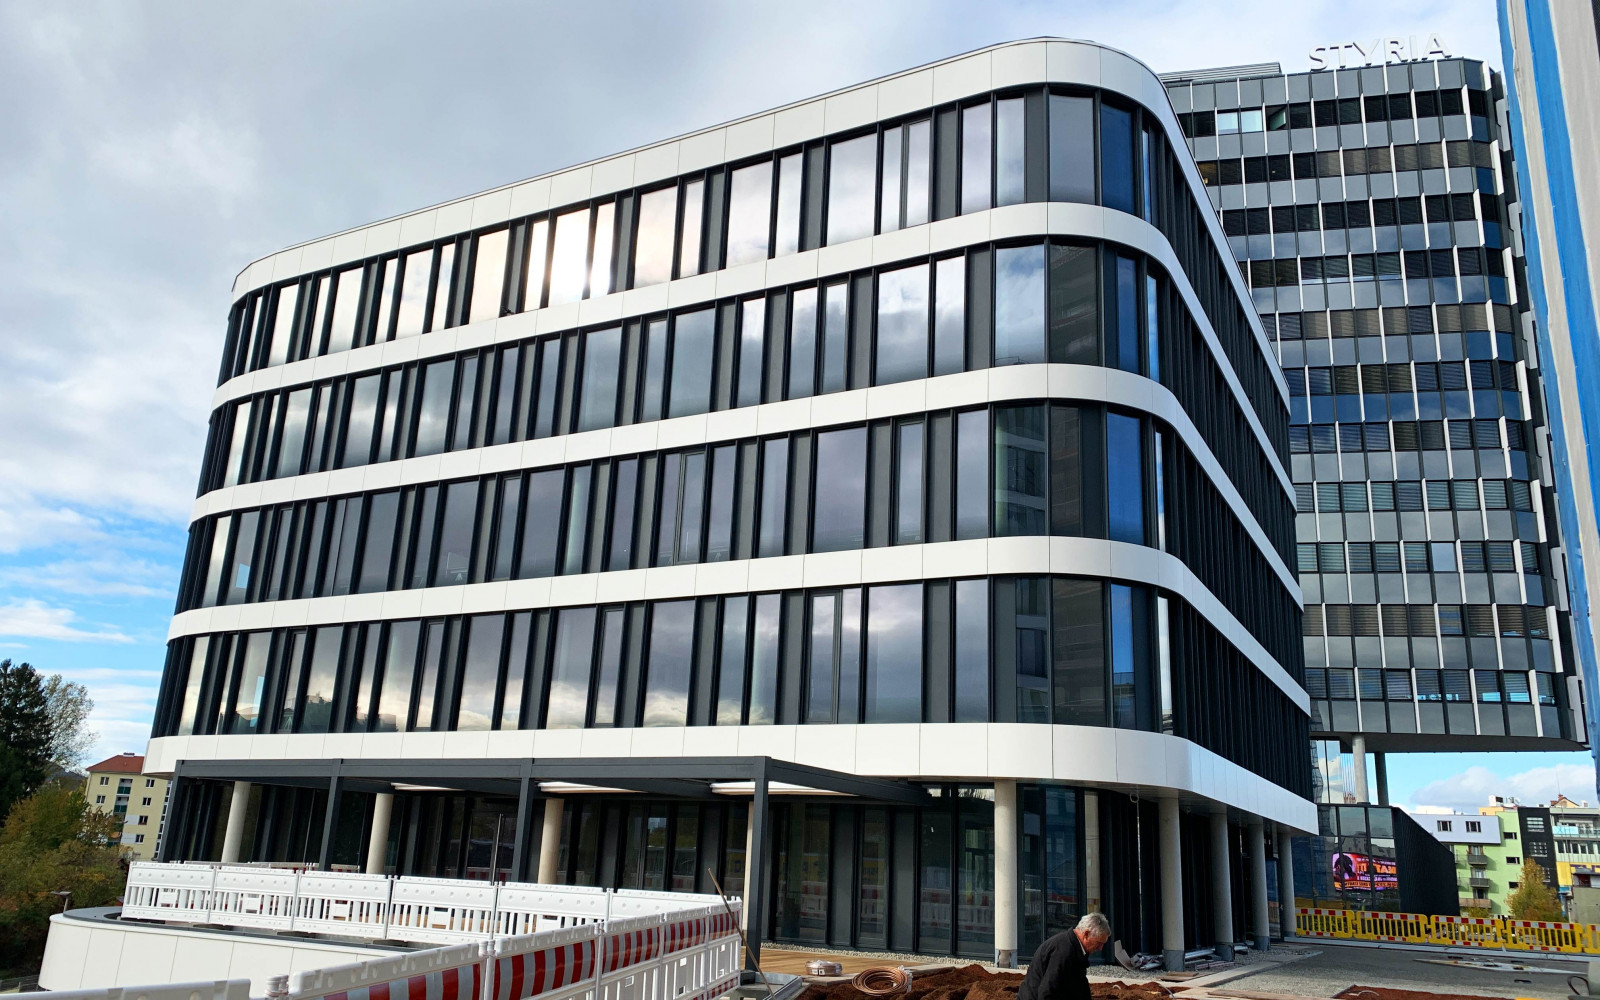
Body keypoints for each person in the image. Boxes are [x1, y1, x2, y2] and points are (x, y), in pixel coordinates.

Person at [1016, 912, 1111, 1000]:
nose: (1100, 948)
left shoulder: (1075, 949)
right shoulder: (1064, 952)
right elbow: (1048, 992)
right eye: (1099, 943)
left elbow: (1081, 988)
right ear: (1086, 934)